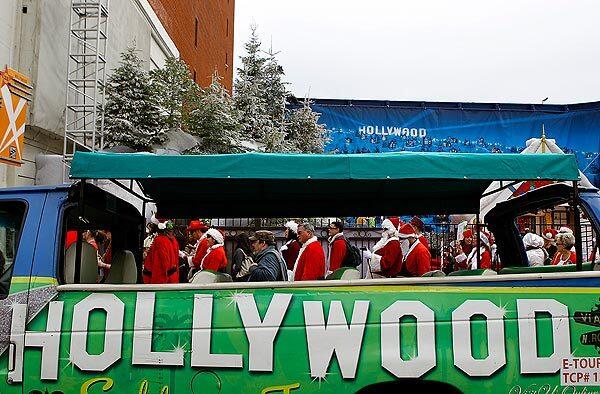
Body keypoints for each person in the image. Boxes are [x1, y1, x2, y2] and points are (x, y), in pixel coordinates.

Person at [143, 220, 179, 284]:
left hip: (162, 281)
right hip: (172, 279)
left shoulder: (159, 241)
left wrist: (156, 286)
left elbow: (160, 267)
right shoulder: (173, 240)